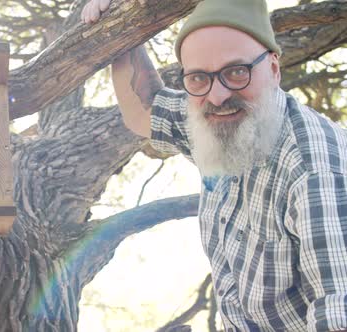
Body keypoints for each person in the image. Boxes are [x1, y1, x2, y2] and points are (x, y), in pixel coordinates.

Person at [83, 0, 347, 330]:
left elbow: (338, 314)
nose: (218, 95)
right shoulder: (218, 122)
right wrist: (119, 24)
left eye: (237, 72)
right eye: (197, 78)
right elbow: (144, 108)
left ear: (274, 68)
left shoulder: (315, 173)